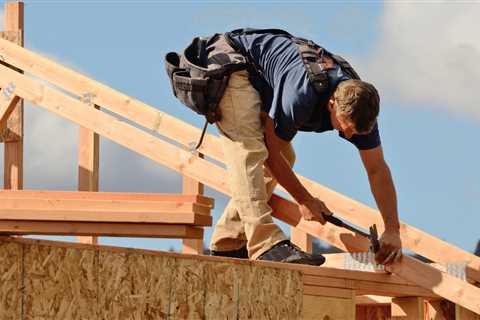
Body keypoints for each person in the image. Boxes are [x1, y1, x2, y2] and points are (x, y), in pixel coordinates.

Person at [189, 29, 402, 266]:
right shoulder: (302, 94)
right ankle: (265, 244)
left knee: (286, 158)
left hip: (261, 83)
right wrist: (304, 199)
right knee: (249, 152)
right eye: (346, 127)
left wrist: (392, 229)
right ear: (331, 104)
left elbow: (377, 170)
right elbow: (269, 154)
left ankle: (228, 243)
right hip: (231, 64)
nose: (350, 135)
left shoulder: (362, 111)